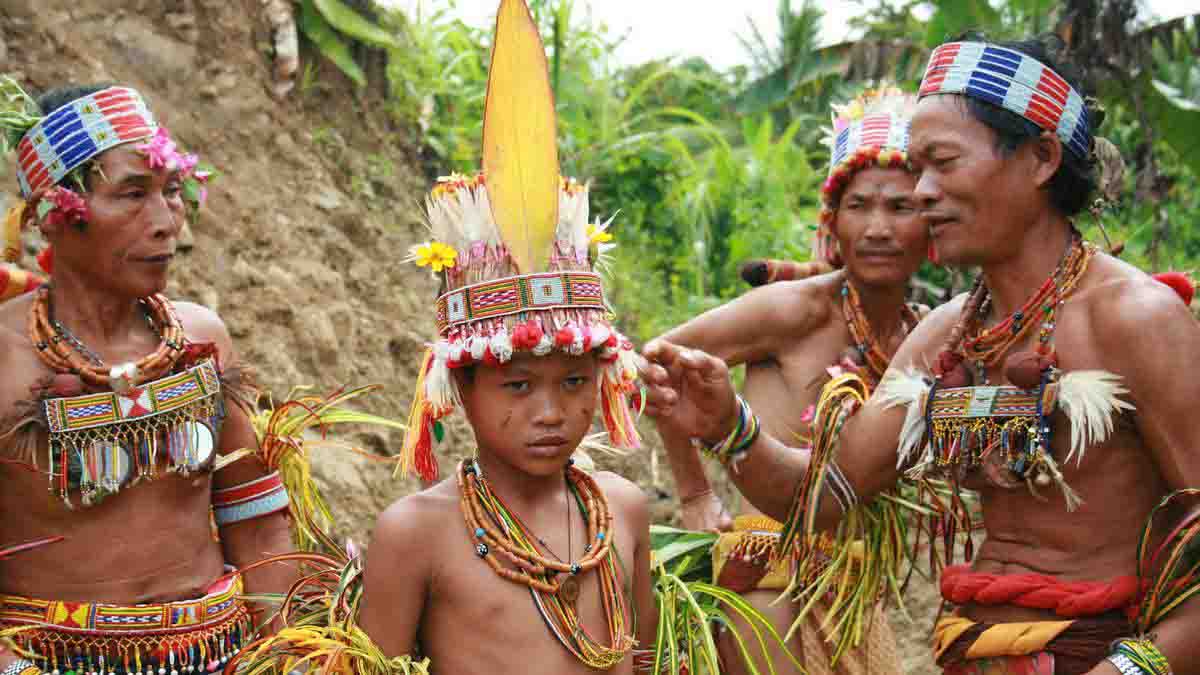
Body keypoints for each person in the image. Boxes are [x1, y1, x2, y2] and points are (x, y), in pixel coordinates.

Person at [643, 34, 1200, 675]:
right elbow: (826, 494)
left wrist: (1129, 670)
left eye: (942, 163)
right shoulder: (946, 335)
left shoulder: (1135, 318)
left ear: (1042, 158)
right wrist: (728, 426)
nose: (924, 191)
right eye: (918, 168)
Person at [0, 80, 297, 675]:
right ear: (52, 217)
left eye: (171, 191)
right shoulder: (4, 359)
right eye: (132, 194)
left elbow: (260, 524)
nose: (166, 222)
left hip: (224, 656)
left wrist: (287, 655)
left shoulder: (202, 338)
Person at [658, 89, 923, 675]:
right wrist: (694, 495)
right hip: (766, 583)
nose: (878, 227)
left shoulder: (926, 337)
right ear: (833, 222)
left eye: (901, 208)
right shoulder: (795, 309)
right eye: (860, 206)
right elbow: (652, 363)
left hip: (857, 593)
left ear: (935, 219)